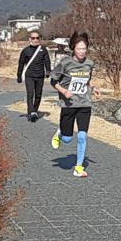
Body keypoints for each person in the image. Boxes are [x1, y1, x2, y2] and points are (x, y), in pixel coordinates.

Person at [49, 31, 101, 178]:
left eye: (84, 48)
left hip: (84, 103)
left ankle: (78, 167)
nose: (82, 51)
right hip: (69, 104)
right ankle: (60, 133)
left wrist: (94, 88)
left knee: (82, 136)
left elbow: (87, 81)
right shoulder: (65, 63)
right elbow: (53, 81)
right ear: (73, 48)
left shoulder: (89, 64)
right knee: (67, 139)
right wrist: (64, 91)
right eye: (79, 49)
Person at [17, 30, 50, 122]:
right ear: (29, 39)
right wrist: (19, 75)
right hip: (29, 75)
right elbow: (21, 63)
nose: (35, 40)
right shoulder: (25, 51)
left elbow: (47, 61)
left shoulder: (43, 49)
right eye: (33, 38)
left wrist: (48, 70)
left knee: (38, 95)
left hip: (40, 75)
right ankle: (31, 112)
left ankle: (35, 111)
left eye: (37, 38)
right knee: (30, 94)